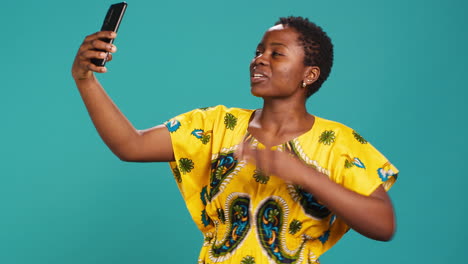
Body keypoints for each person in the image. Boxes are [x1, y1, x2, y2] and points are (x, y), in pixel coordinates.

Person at [72, 16, 398, 264]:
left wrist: (303, 175)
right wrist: (85, 79)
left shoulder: (338, 142)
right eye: (258, 51)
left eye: (277, 53)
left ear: (308, 75)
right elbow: (130, 145)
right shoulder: (216, 124)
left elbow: (383, 225)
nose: (259, 59)